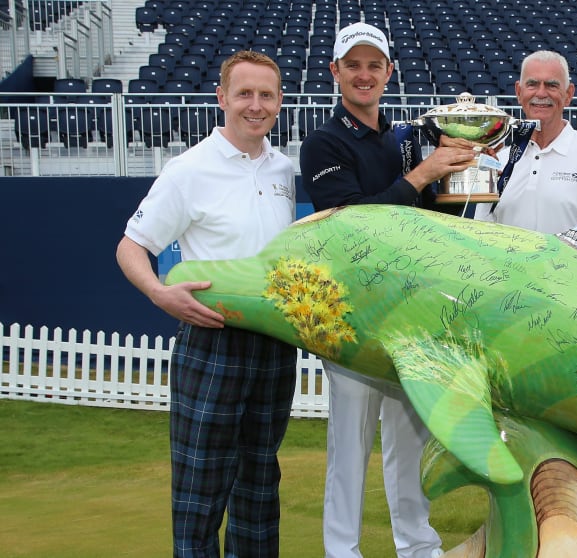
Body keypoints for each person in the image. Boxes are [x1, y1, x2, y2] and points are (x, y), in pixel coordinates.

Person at [299, 22, 483, 558]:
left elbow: (428, 218)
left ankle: (418, 546)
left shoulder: (407, 138)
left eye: (373, 65)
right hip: (354, 318)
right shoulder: (322, 142)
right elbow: (357, 223)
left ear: (388, 73)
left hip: (411, 314)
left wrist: (462, 174)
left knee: (409, 443)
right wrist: (425, 172)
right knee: (349, 446)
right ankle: (342, 550)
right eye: (352, 64)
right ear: (334, 71)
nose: (363, 74)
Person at [115, 51, 297, 557]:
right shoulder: (188, 170)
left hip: (274, 341)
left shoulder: (283, 168)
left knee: (260, 479)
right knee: (200, 483)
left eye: (266, 95)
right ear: (222, 98)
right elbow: (131, 246)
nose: (255, 105)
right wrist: (158, 292)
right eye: (244, 94)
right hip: (212, 337)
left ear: (280, 102)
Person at [474, 50, 577, 234]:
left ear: (568, 94)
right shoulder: (499, 160)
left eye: (551, 85)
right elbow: (481, 229)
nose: (541, 93)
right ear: (519, 92)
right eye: (532, 84)